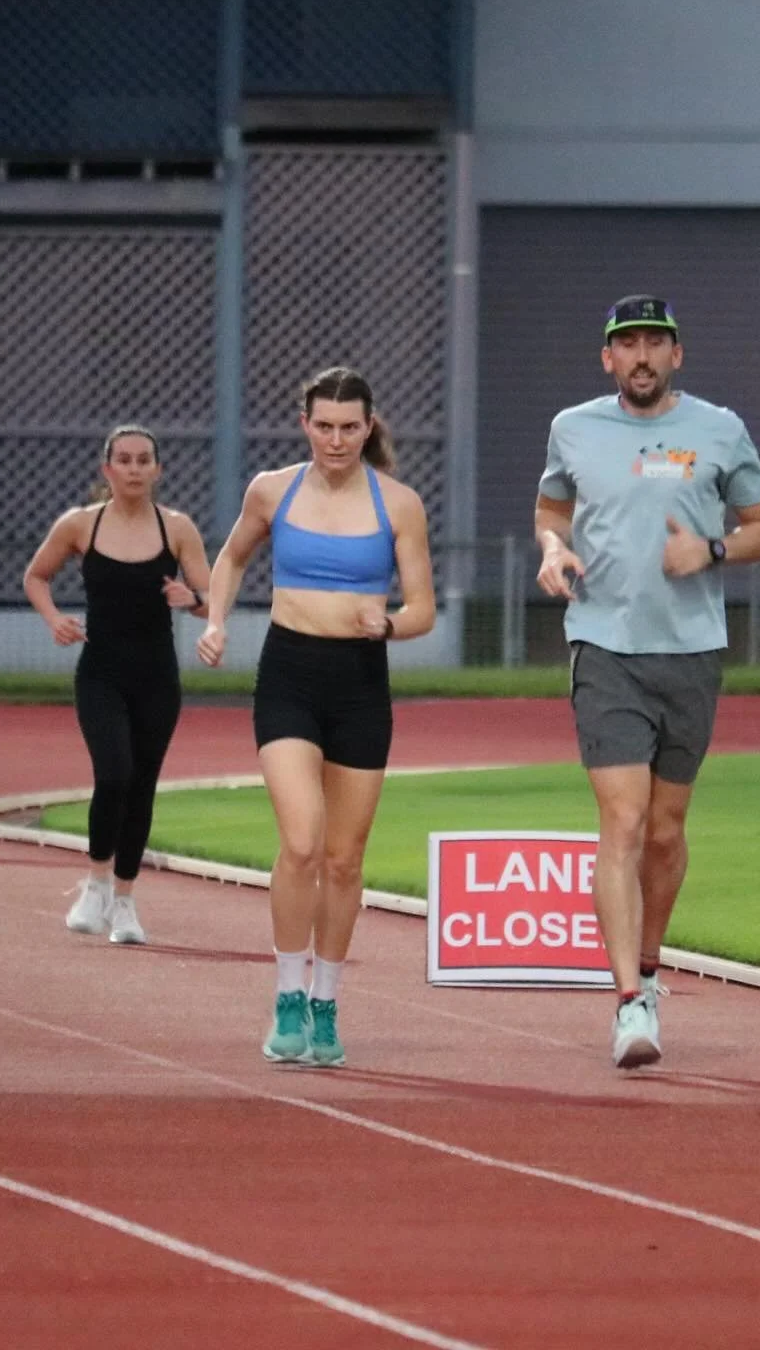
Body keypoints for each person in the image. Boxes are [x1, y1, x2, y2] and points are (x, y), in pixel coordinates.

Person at [535, 294, 760, 1070]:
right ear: (608, 359)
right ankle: (627, 1004)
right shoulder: (574, 427)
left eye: (655, 343)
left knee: (667, 832)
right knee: (625, 821)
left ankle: (647, 966)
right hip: (604, 643)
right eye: (627, 344)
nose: (641, 356)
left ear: (678, 354)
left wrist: (708, 552)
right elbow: (551, 507)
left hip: (691, 651)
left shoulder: (720, 429)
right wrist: (551, 549)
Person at [196, 368, 435, 1066]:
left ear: (370, 426)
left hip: (360, 681)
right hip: (289, 675)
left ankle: (327, 1002)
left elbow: (422, 607)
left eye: (349, 427)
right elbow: (232, 558)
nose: (336, 439)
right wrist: (215, 621)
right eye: (323, 426)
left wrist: (388, 625)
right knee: (301, 843)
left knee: (345, 858)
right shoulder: (274, 490)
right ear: (305, 423)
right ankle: (288, 994)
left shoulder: (399, 504)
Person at [23, 424, 212, 946]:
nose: (133, 469)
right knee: (114, 773)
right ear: (107, 470)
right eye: (123, 460)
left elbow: (211, 599)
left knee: (142, 784)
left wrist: (189, 599)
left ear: (157, 470)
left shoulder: (176, 528)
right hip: (100, 672)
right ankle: (96, 882)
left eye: (142, 460)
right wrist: (53, 619)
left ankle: (125, 902)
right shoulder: (81, 525)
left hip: (156, 678)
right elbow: (35, 575)